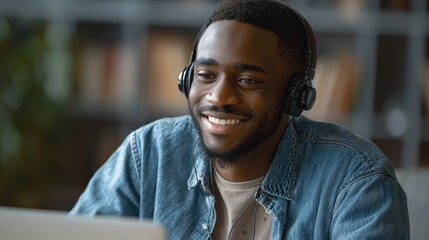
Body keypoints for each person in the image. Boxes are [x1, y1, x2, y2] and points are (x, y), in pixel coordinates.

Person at [70, 0, 410, 239]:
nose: (219, 98)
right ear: (185, 80)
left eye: (248, 81)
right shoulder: (148, 155)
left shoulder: (356, 182)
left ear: (297, 96)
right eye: (205, 74)